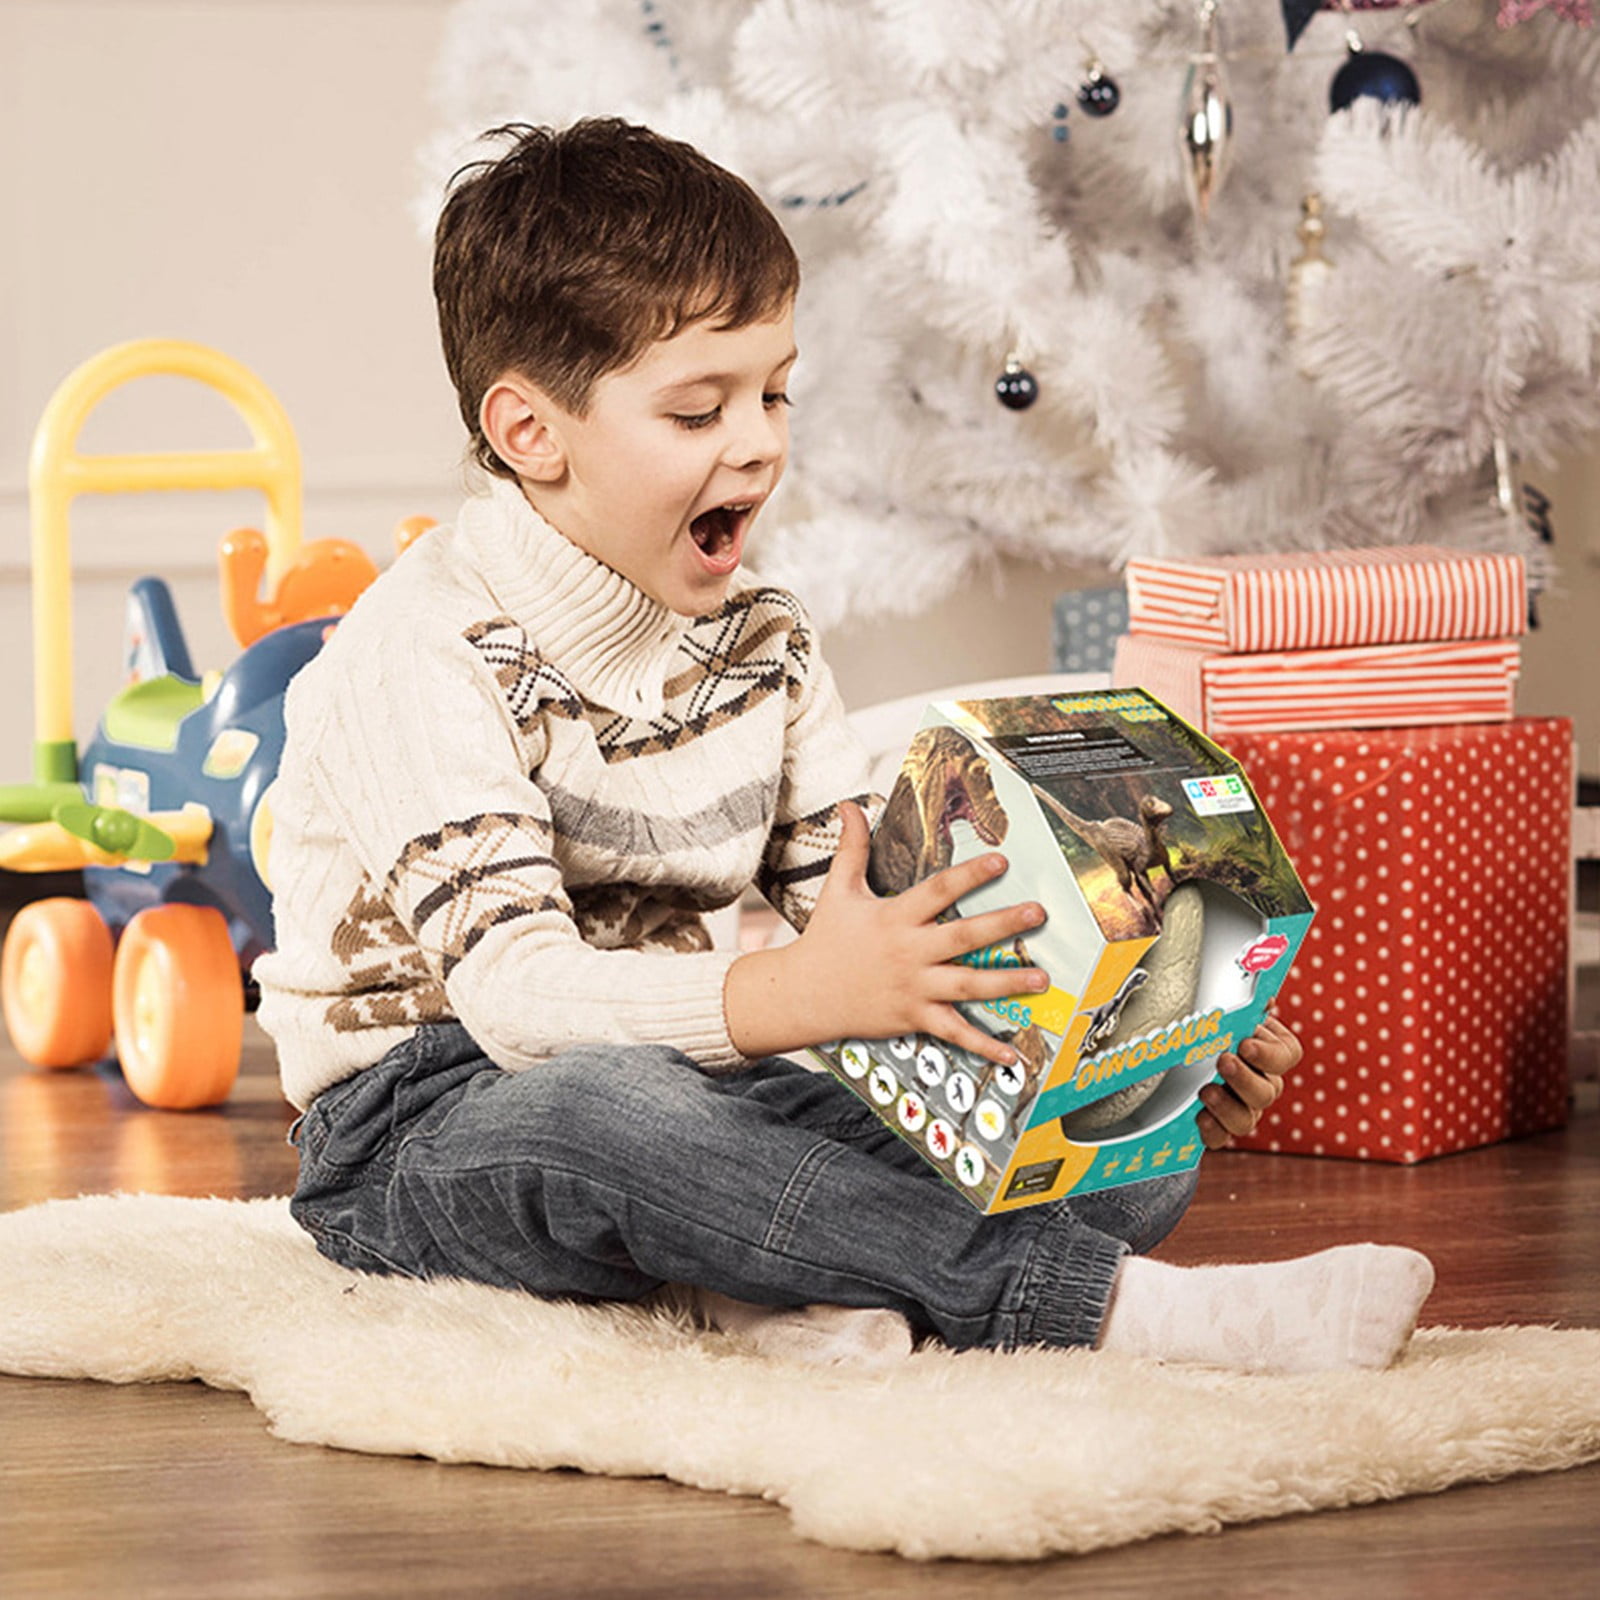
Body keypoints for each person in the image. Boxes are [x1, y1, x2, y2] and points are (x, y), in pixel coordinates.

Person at [255, 118, 1434, 1374]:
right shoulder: (418, 650)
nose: (760, 441)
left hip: (693, 1069)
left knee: (1125, 1156)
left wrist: (1145, 1044)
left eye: (773, 393)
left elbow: (877, 916)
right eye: (699, 410)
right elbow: (519, 1002)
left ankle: (763, 1273)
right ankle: (1105, 1311)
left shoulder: (761, 638)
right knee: (612, 1110)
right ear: (531, 433)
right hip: (425, 1118)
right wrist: (793, 997)